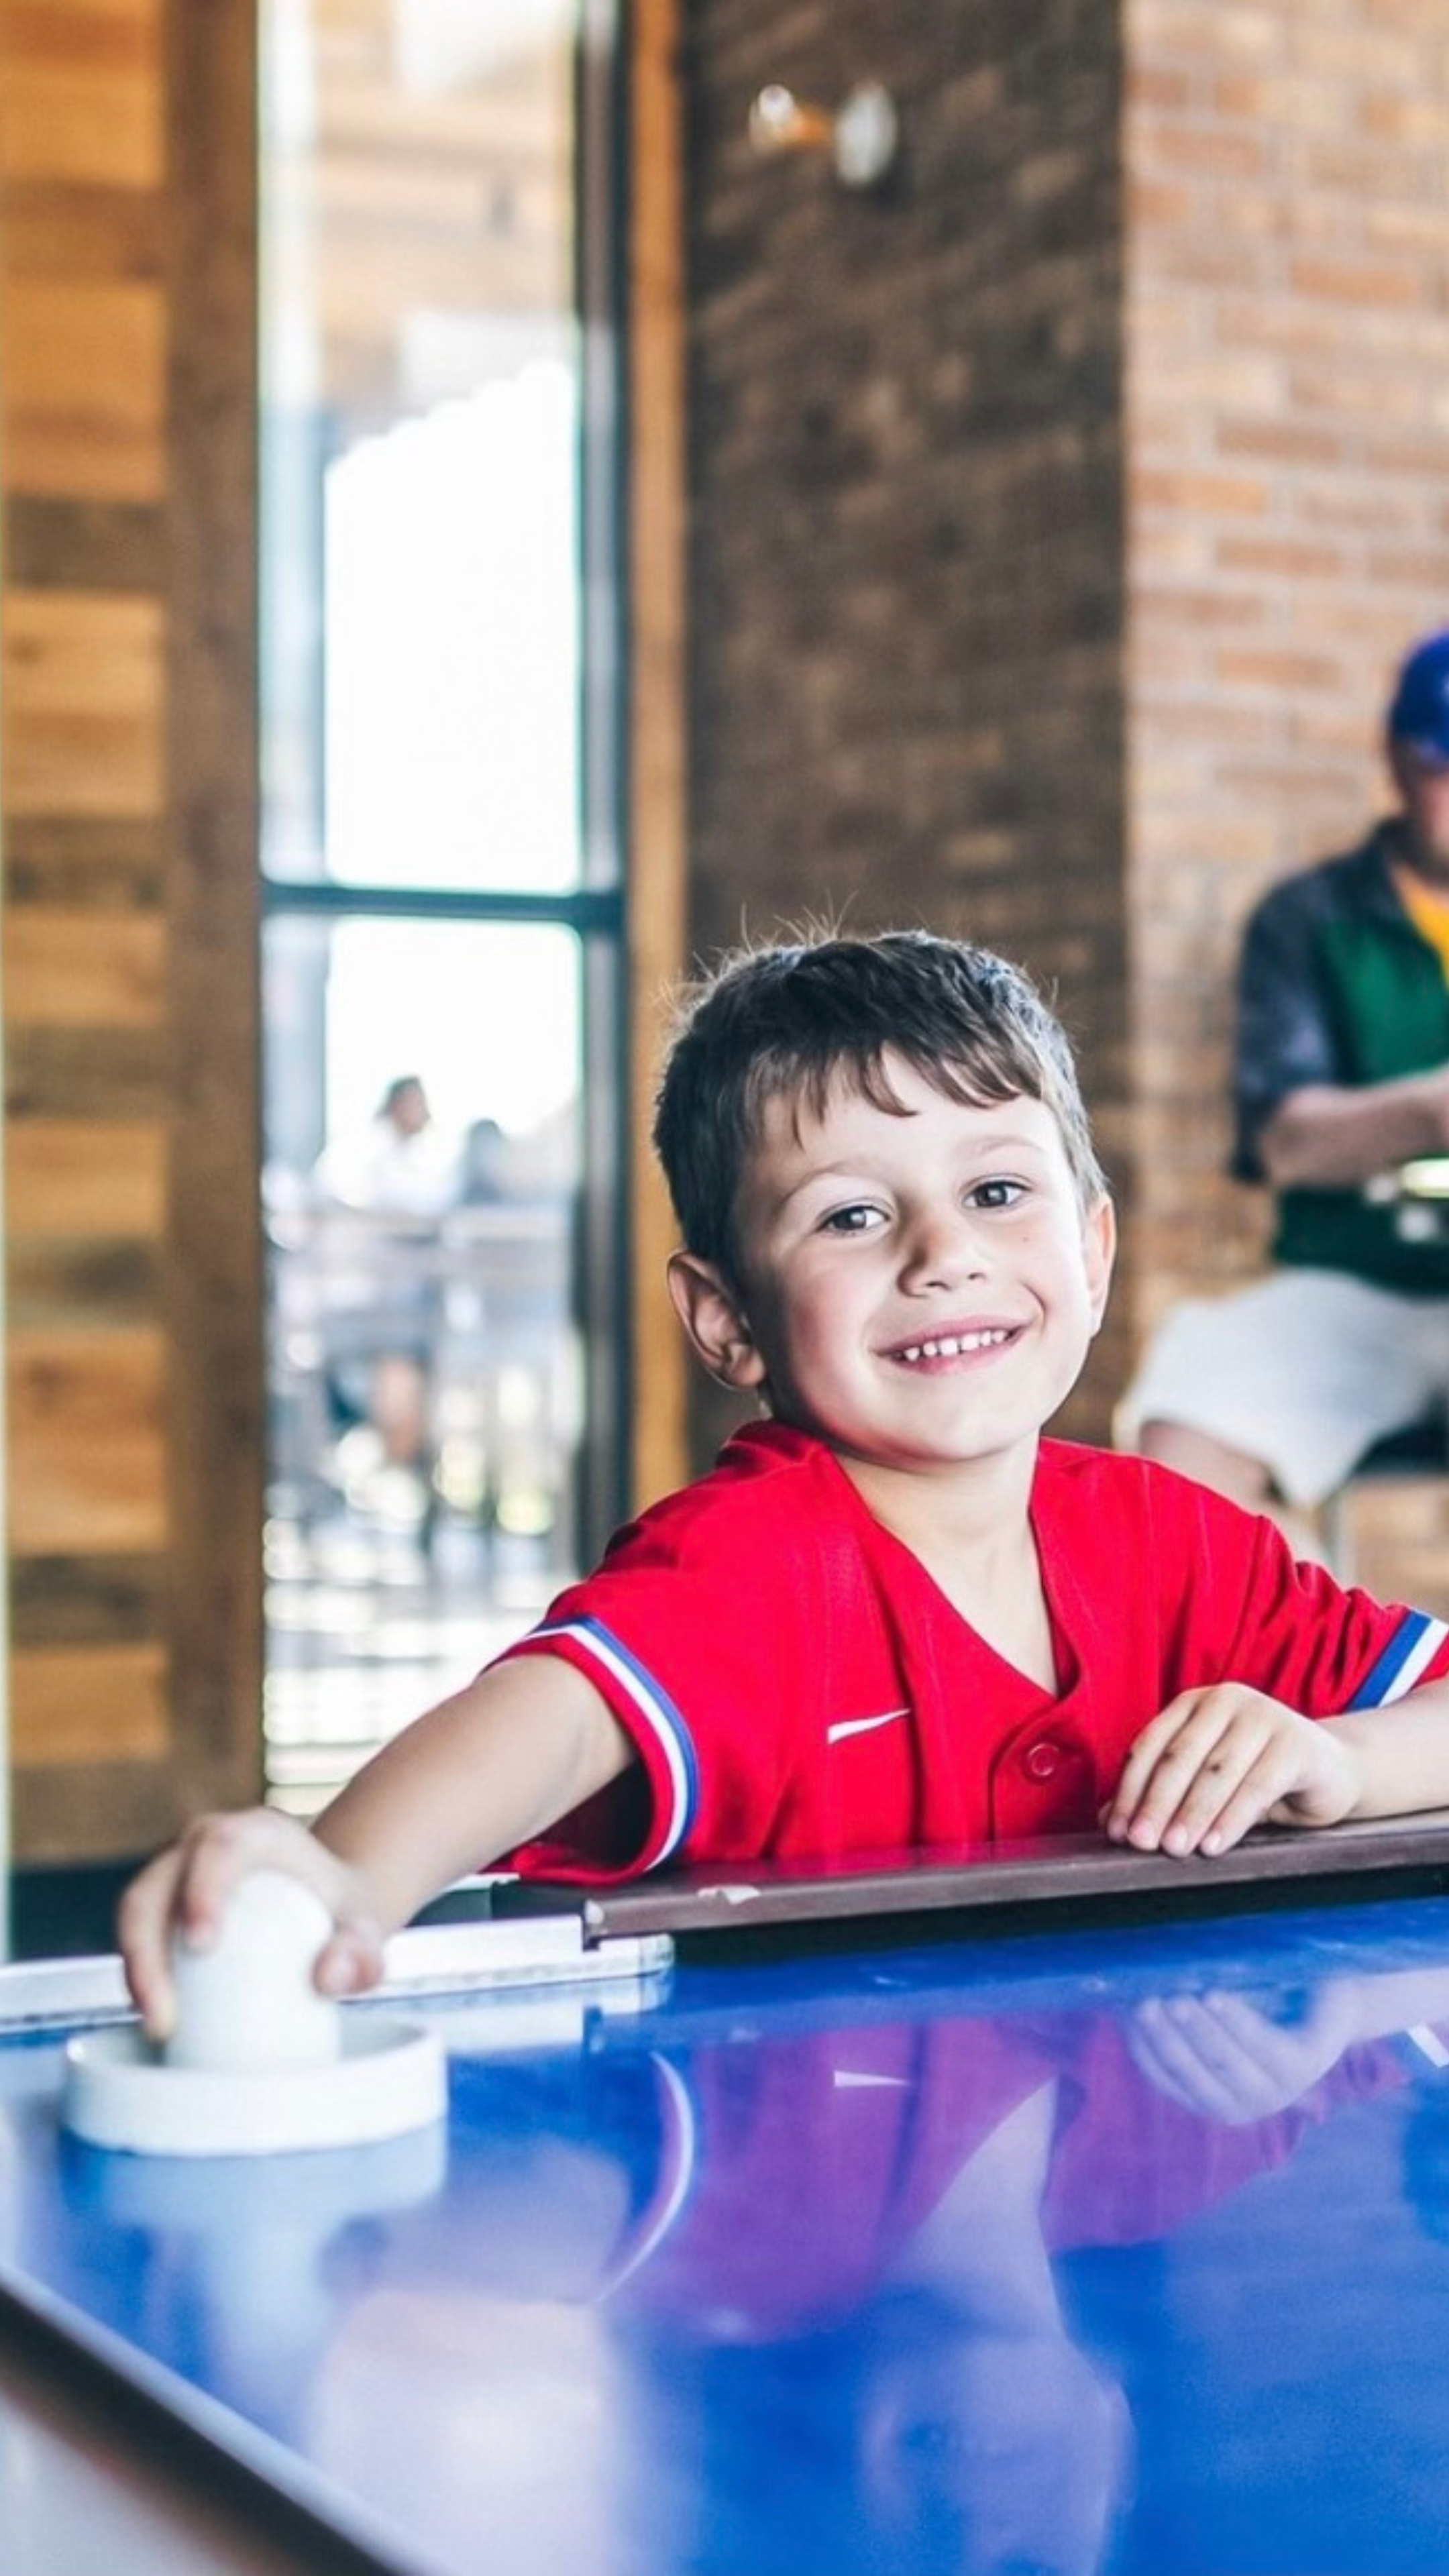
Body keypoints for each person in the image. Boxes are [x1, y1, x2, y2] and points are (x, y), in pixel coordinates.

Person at [121, 928, 1449, 2035]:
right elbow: (553, 1719)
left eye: (996, 1190)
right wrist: (341, 1875)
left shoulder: (1181, 1546)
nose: (945, 1254)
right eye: (851, 1217)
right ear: (727, 1321)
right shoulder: (750, 1563)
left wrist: (1334, 1754)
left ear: (1093, 1253)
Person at [1118, 627, 1449, 1529]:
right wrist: (1428, 1110)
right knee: (1187, 1429)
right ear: (1396, 758)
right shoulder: (1308, 919)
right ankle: (1299, 1655)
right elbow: (1286, 1142)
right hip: (1352, 1287)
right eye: (1443, 764)